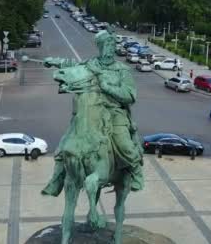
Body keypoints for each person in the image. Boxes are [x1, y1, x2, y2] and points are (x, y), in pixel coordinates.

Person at [42, 29, 144, 196]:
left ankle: (135, 172)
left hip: (114, 112)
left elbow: (130, 96)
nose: (110, 48)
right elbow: (72, 65)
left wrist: (108, 87)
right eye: (106, 45)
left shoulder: (122, 70)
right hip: (91, 109)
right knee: (64, 145)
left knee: (124, 145)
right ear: (100, 47)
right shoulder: (91, 64)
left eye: (112, 44)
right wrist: (54, 61)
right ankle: (57, 180)